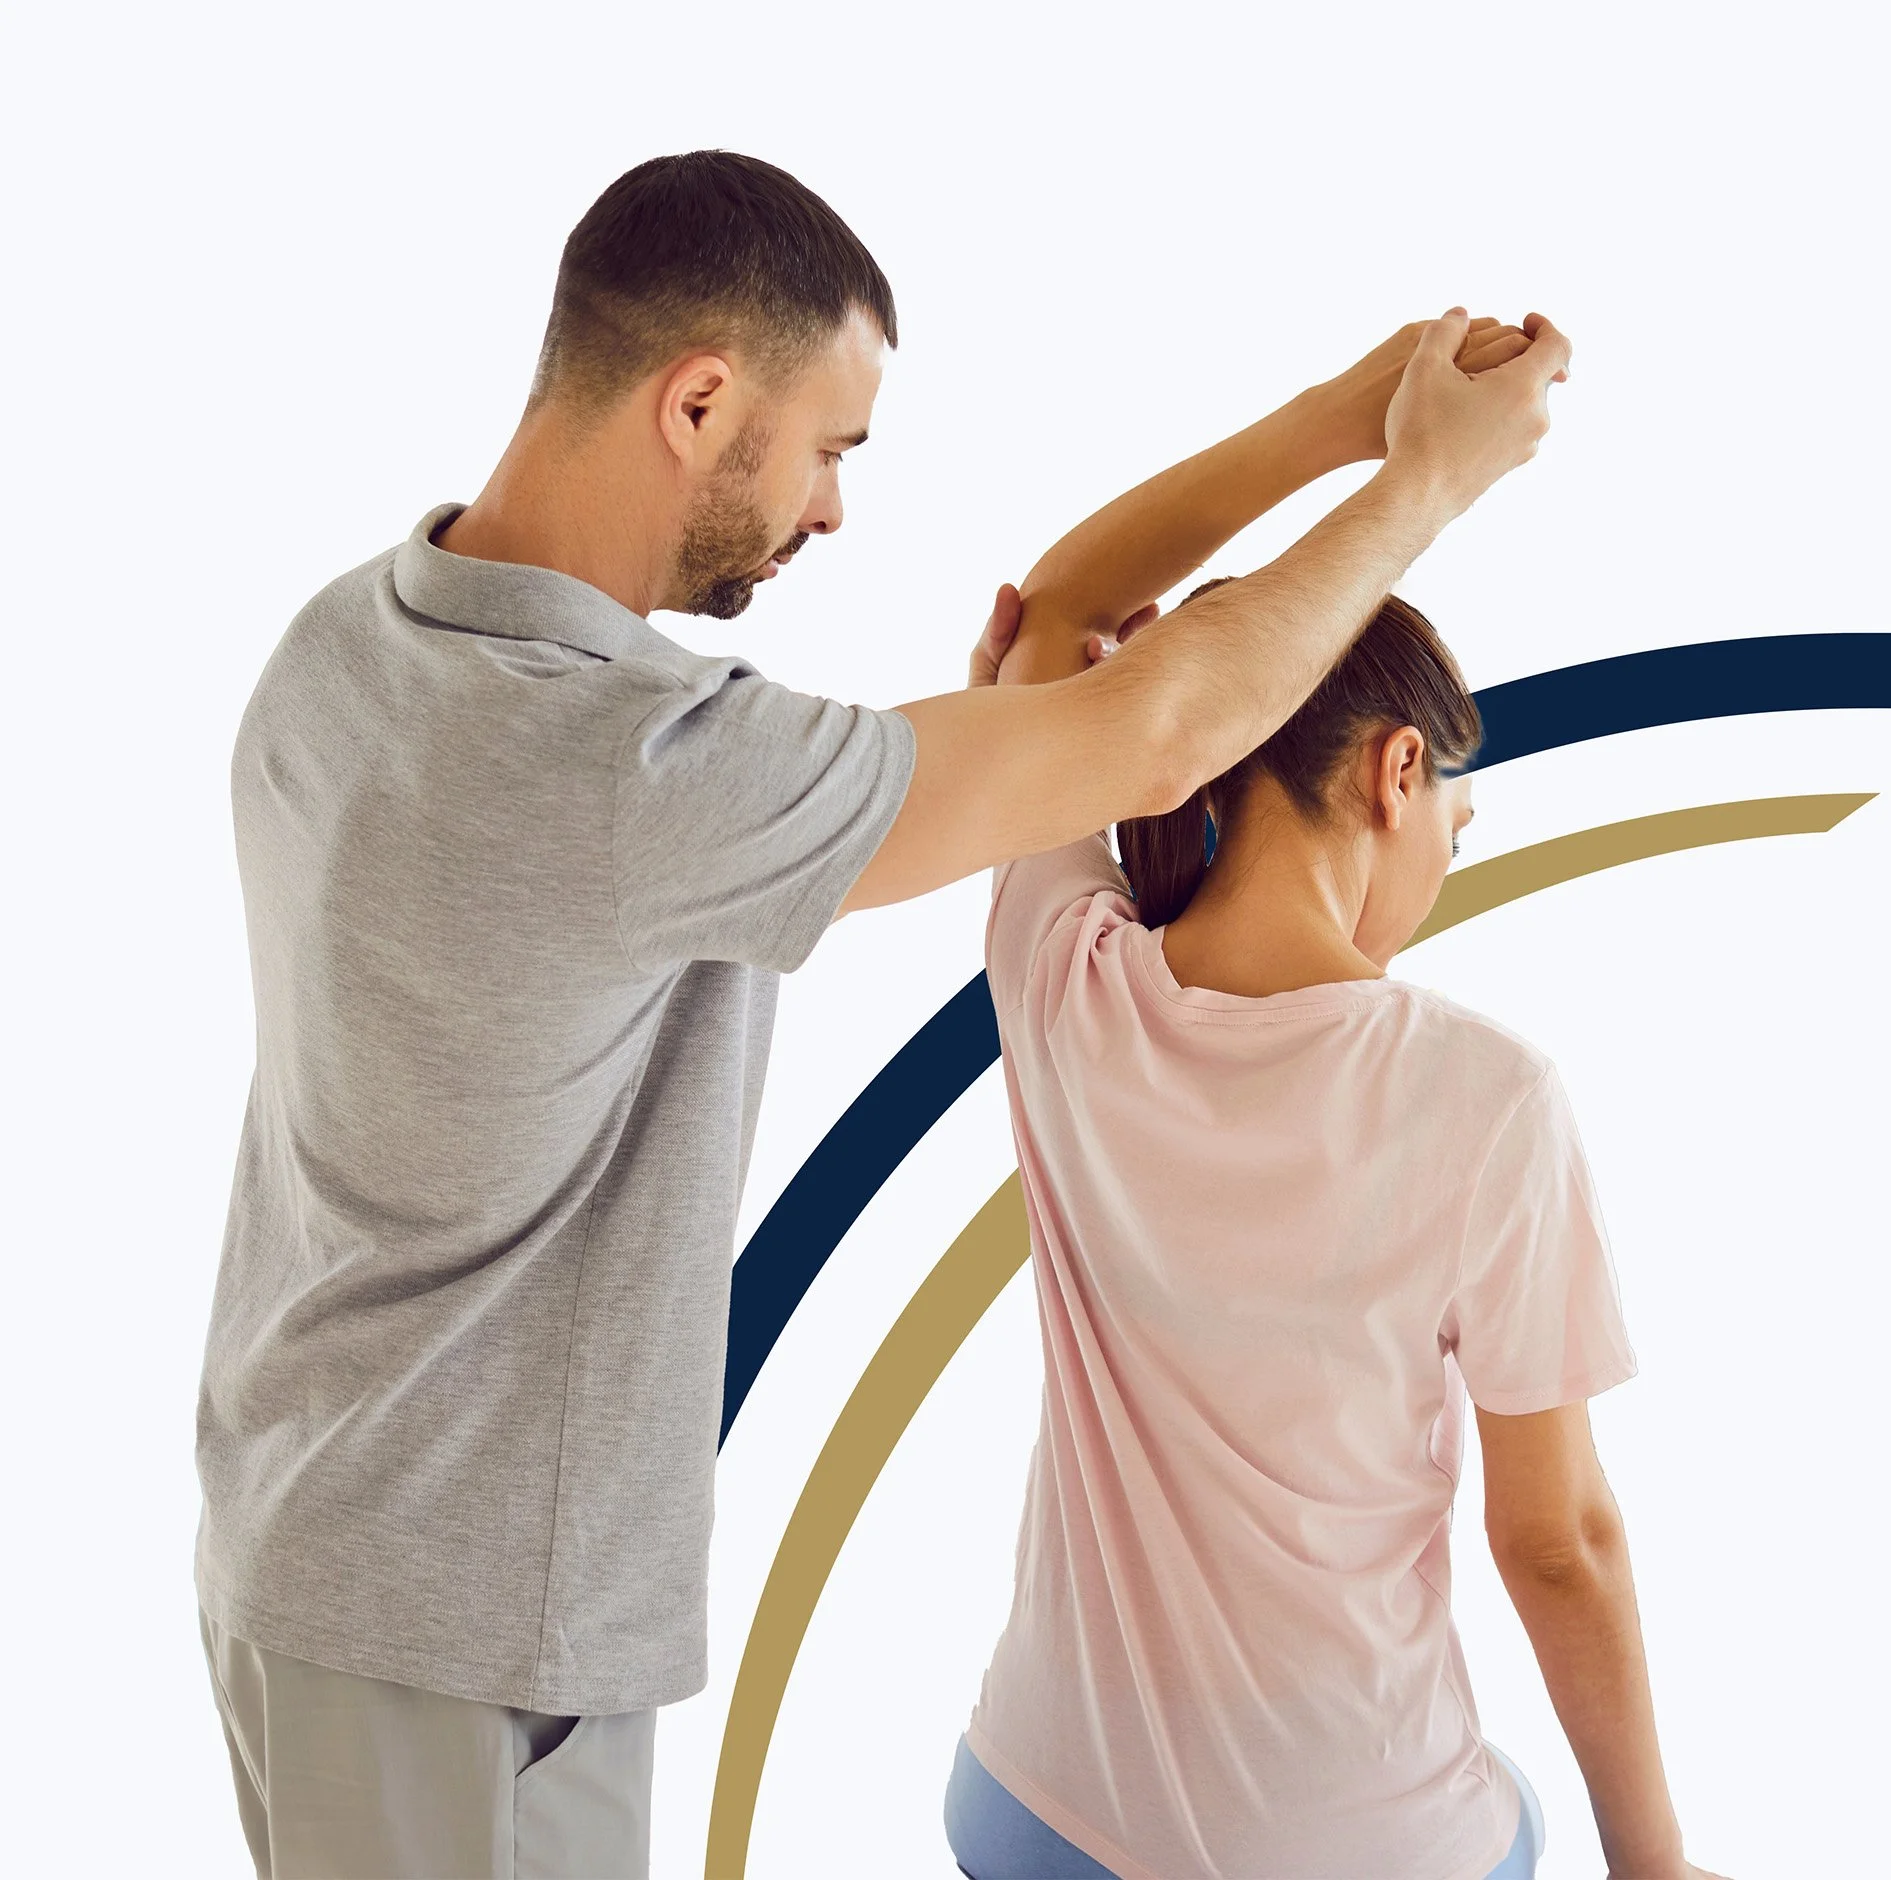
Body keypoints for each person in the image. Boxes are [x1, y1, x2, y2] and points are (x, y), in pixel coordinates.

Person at [193, 144, 1566, 1877]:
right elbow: (1145, 726)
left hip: (317, 1532)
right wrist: (1422, 480)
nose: (833, 509)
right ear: (699, 401)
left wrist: (1344, 415)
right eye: (828, 447)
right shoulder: (631, 770)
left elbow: (1080, 652)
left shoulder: (351, 640)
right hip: (456, 1624)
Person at [942, 428, 1727, 1879]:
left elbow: (1053, 613)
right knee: (1515, 1827)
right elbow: (1558, 1546)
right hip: (1337, 1843)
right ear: (1396, 770)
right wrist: (1656, 1863)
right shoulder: (1484, 1098)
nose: (1445, 857)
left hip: (1036, 1806)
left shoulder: (1064, 969)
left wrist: (1363, 412)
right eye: (1455, 818)